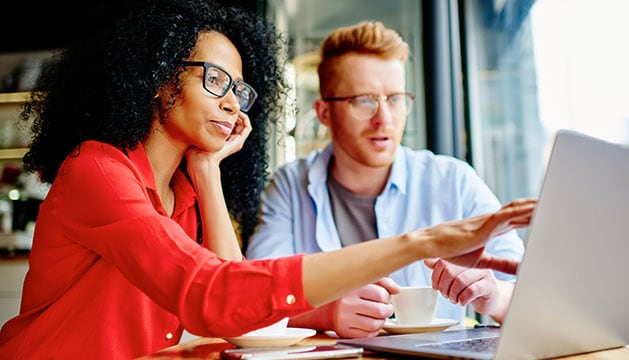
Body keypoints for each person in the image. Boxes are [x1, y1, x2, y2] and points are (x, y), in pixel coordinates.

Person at [0, 1, 535, 358]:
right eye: (215, 80)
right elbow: (211, 296)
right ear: (161, 82)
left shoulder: (184, 192)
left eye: (240, 88)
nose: (233, 101)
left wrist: (207, 172)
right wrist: (423, 243)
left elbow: (235, 314)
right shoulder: (99, 170)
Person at [246, 21, 526, 338]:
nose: (385, 119)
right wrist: (325, 314)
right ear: (324, 113)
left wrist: (495, 296)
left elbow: (535, 296)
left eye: (395, 98)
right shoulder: (289, 187)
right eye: (364, 100)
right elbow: (254, 297)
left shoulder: (454, 181)